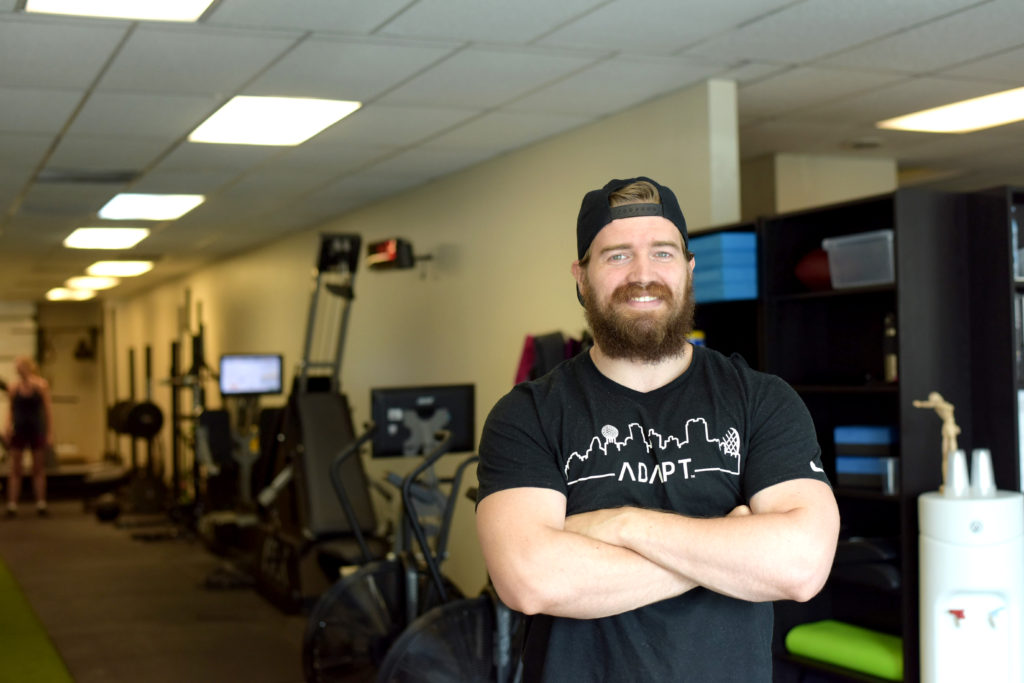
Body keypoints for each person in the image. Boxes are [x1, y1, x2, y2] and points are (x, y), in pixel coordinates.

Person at [475, 177, 840, 681]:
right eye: (617, 255)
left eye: (663, 253)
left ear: (689, 271)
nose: (643, 275)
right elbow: (530, 580)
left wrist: (621, 525)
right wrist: (729, 556)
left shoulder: (761, 399)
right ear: (581, 277)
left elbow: (800, 567)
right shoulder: (528, 414)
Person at [4, 356, 54, 517]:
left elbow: (47, 411)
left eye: (19, 365)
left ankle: (41, 503)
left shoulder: (41, 385)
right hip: (19, 429)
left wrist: (50, 432)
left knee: (38, 468)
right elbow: (10, 410)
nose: (17, 369)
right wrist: (7, 427)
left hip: (36, 428)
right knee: (15, 468)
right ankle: (12, 505)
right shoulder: (13, 387)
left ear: (27, 367)